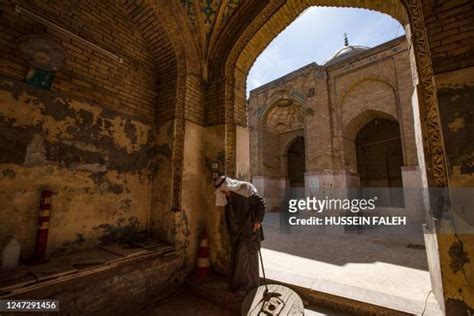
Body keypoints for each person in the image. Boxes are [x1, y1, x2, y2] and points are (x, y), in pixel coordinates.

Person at [214, 175, 266, 295]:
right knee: (239, 258)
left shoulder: (244, 188)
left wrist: (258, 220)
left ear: (228, 185)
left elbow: (261, 203)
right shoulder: (229, 195)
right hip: (238, 233)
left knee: (246, 257)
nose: (223, 192)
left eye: (223, 189)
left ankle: (248, 287)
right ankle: (239, 285)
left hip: (249, 230)